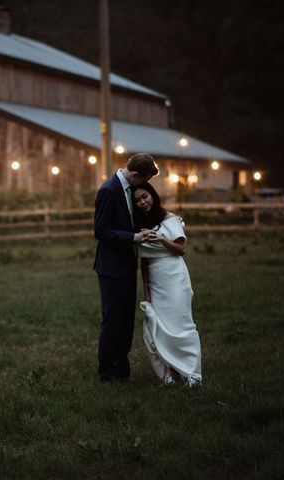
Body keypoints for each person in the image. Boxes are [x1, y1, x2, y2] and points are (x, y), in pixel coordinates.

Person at [93, 153, 159, 382]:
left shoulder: (129, 189)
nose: (144, 185)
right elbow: (100, 231)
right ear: (135, 174)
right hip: (111, 268)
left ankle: (122, 369)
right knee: (113, 321)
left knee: (126, 321)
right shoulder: (108, 190)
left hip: (127, 265)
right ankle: (107, 372)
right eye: (143, 180)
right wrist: (133, 237)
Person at [132, 181, 202, 387]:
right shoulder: (139, 226)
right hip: (155, 280)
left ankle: (192, 374)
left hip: (174, 277)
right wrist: (146, 289)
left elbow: (181, 250)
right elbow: (144, 261)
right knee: (158, 327)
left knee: (180, 325)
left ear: (152, 195)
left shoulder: (169, 219)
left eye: (145, 196)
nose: (142, 202)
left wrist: (161, 239)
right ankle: (172, 374)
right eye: (137, 200)